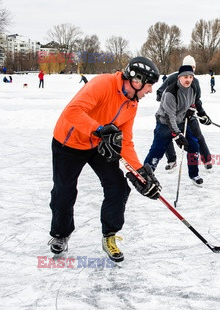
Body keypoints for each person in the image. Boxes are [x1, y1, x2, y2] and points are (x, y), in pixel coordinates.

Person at [48, 57, 162, 263]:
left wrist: (139, 172)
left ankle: (109, 235)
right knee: (64, 191)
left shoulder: (132, 104)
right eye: (149, 85)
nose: (150, 91)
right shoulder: (103, 84)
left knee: (118, 186)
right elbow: (72, 112)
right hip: (68, 143)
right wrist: (99, 129)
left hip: (98, 144)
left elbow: (125, 141)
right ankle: (60, 233)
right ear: (136, 81)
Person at [144, 65, 205, 186]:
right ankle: (145, 175)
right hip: (165, 123)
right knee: (158, 150)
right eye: (185, 77)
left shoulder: (193, 88)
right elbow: (169, 117)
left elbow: (192, 103)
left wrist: (192, 111)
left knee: (193, 145)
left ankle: (194, 174)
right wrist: (177, 135)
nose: (188, 79)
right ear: (179, 78)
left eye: (190, 77)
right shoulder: (170, 93)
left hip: (181, 121)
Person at [156, 55, 213, 171]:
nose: (191, 70)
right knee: (165, 136)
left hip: (189, 115)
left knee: (198, 136)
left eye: (193, 68)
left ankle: (206, 159)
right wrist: (173, 104)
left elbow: (197, 101)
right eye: (189, 67)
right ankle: (172, 160)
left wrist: (203, 114)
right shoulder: (173, 78)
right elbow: (159, 93)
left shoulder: (195, 82)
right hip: (171, 115)